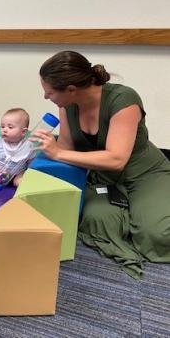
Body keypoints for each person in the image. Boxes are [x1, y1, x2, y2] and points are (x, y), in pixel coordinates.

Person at [36, 50, 170, 279]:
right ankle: (135, 213)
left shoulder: (123, 100)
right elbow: (67, 149)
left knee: (158, 234)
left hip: (144, 173)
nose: (46, 97)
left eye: (48, 92)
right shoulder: (67, 105)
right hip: (102, 177)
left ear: (70, 89)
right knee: (96, 220)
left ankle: (143, 213)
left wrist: (57, 154)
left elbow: (116, 159)